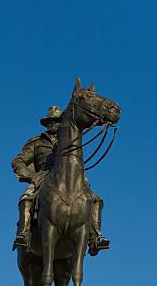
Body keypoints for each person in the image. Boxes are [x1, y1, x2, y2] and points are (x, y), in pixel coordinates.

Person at [12, 105, 108, 254]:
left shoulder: (70, 139)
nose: (53, 124)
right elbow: (18, 161)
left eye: (56, 121)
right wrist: (31, 176)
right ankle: (24, 233)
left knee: (95, 199)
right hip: (43, 177)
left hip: (71, 177)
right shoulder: (37, 141)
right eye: (50, 121)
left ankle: (95, 237)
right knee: (26, 198)